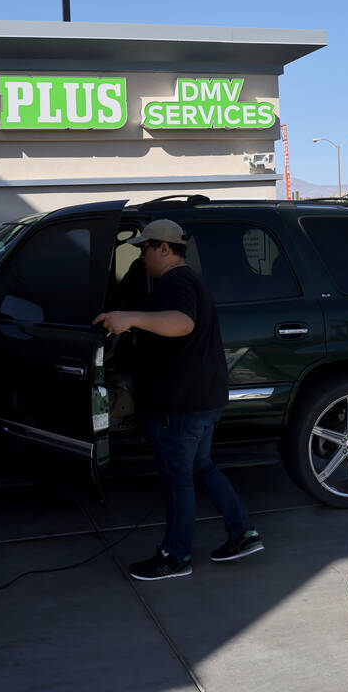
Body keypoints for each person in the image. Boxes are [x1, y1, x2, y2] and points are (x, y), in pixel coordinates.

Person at [94, 219, 263, 581]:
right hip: (202, 399)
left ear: (165, 249)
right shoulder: (187, 281)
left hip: (181, 405)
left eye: (144, 249)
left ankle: (176, 556)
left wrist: (131, 318)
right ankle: (242, 533)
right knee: (201, 468)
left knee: (178, 479)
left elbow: (182, 323)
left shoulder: (177, 283)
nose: (142, 256)